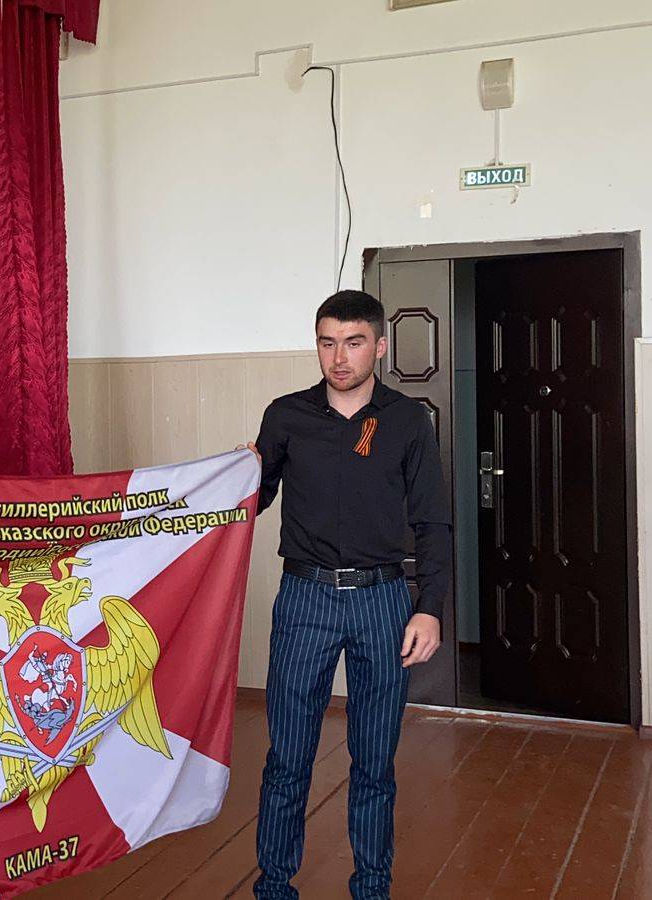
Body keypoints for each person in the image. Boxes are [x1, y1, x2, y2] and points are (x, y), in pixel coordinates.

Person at [246, 290, 449, 899]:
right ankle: (274, 887)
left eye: (354, 343)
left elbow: (432, 522)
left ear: (380, 347)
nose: (339, 357)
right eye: (327, 342)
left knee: (374, 763)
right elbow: (256, 500)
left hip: (382, 601)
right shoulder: (285, 415)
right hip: (304, 599)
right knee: (287, 758)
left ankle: (372, 888)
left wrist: (429, 609)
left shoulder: (408, 420)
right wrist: (238, 476)